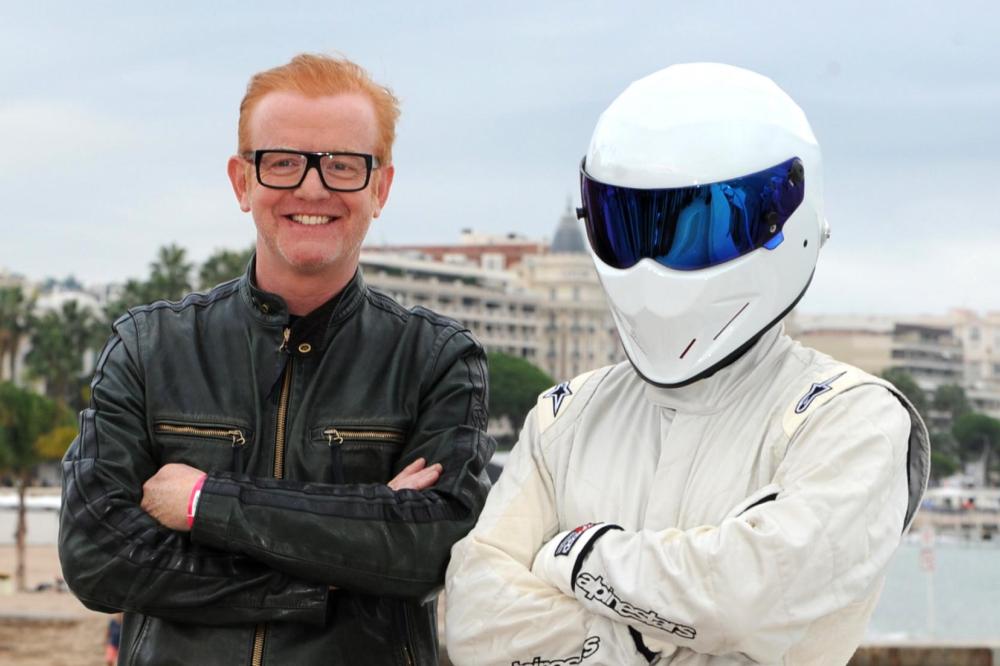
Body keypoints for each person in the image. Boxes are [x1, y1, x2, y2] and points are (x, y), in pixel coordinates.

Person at [445, 63, 930, 665]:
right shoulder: (566, 415)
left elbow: (747, 600)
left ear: (782, 213)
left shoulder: (854, 418)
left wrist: (571, 556)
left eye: (698, 225)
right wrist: (662, 636)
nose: (653, 262)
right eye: (629, 223)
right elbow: (474, 618)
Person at [59, 53, 494, 665]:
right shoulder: (149, 347)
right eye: (283, 162)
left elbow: (431, 550)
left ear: (380, 188)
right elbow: (97, 557)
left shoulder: (437, 359)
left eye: (342, 165)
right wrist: (332, 568)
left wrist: (203, 502)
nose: (312, 188)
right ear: (243, 182)